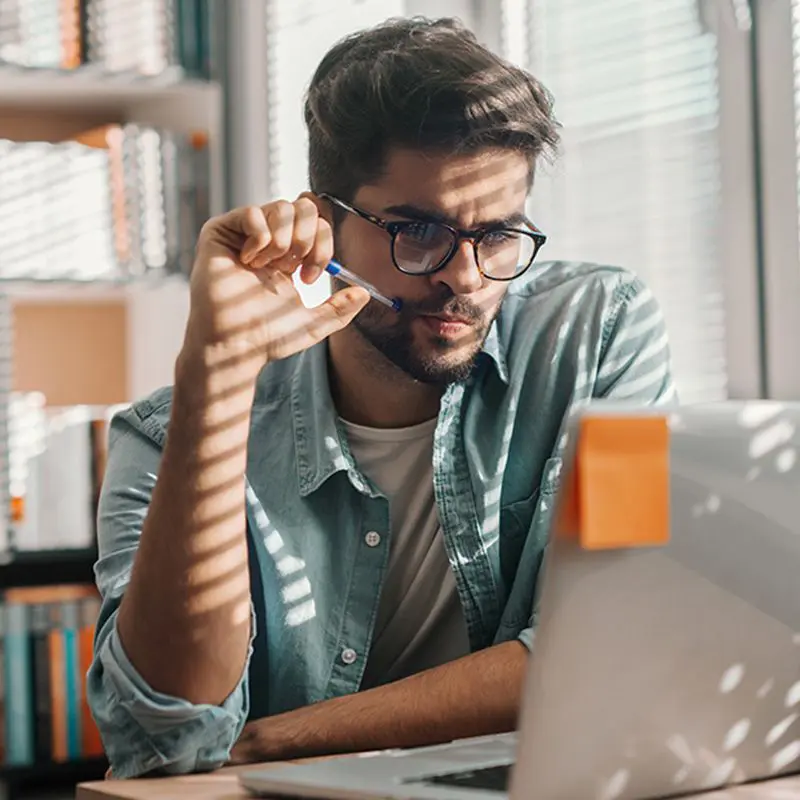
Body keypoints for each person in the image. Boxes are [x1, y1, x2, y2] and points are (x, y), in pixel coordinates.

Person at [87, 16, 676, 779]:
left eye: (498, 234)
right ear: (324, 225)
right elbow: (161, 740)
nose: (464, 278)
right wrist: (215, 374)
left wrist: (268, 740)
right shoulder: (166, 438)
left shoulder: (597, 335)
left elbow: (610, 649)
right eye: (417, 231)